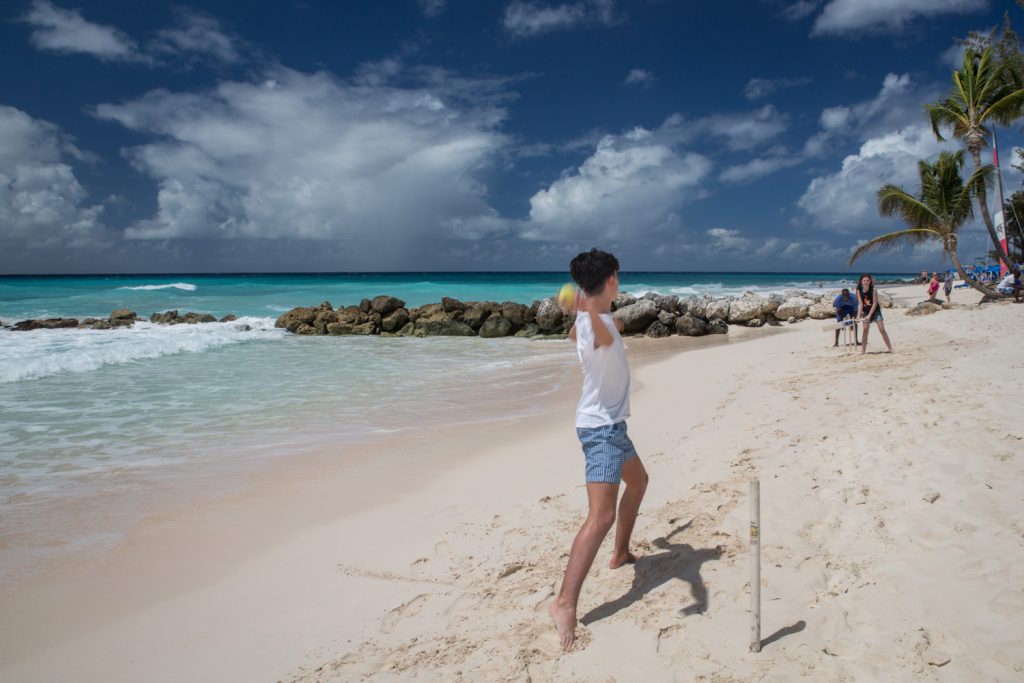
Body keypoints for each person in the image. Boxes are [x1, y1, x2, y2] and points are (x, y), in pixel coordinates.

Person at [549, 248, 649, 651]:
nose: (620, 284)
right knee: (601, 515)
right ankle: (564, 603)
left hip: (613, 426)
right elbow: (600, 334)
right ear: (610, 281)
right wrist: (586, 307)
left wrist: (583, 306)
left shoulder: (594, 321)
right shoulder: (595, 327)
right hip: (600, 431)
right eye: (618, 278)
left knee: (639, 482)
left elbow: (595, 327)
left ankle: (621, 553)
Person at [856, 273, 893, 354]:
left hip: (875, 311)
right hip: (866, 311)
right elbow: (860, 304)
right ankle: (863, 351)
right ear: (861, 282)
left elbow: (875, 303)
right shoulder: (858, 291)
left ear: (870, 281)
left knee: (882, 329)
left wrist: (870, 315)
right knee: (865, 329)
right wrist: (858, 316)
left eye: (867, 280)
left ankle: (890, 349)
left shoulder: (874, 290)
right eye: (864, 280)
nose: (866, 282)